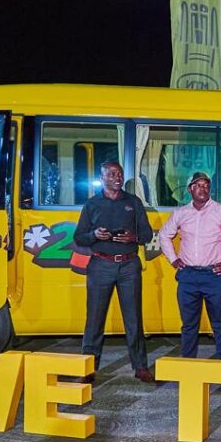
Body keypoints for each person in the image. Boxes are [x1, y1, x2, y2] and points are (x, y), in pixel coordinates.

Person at [74, 160, 155, 382]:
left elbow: (147, 234)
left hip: (129, 266)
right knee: (94, 320)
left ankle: (140, 367)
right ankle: (88, 368)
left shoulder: (133, 202)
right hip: (101, 265)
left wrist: (133, 238)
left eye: (119, 174)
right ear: (102, 178)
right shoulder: (92, 204)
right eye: (111, 174)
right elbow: (79, 237)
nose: (117, 178)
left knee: (133, 319)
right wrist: (94, 235)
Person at [158, 171, 221, 360]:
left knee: (219, 322)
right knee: (188, 324)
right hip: (188, 276)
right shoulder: (181, 213)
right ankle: (188, 361)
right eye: (199, 185)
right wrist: (173, 259)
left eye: (206, 186)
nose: (203, 189)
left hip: (213, 276)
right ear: (190, 189)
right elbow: (163, 235)